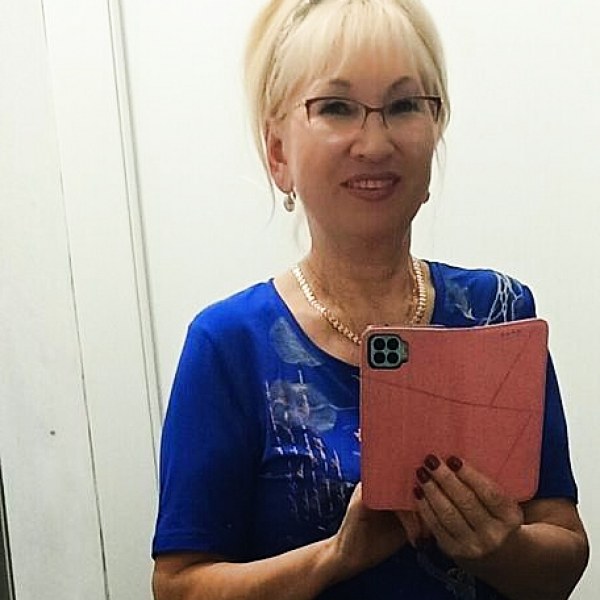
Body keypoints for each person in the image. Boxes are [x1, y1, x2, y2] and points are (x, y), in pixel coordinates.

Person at [151, 0, 589, 598]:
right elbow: (179, 586)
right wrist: (337, 557)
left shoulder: (496, 312)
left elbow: (564, 556)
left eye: (404, 106)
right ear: (278, 153)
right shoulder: (229, 345)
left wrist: (501, 549)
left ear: (435, 131)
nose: (376, 143)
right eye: (336, 107)